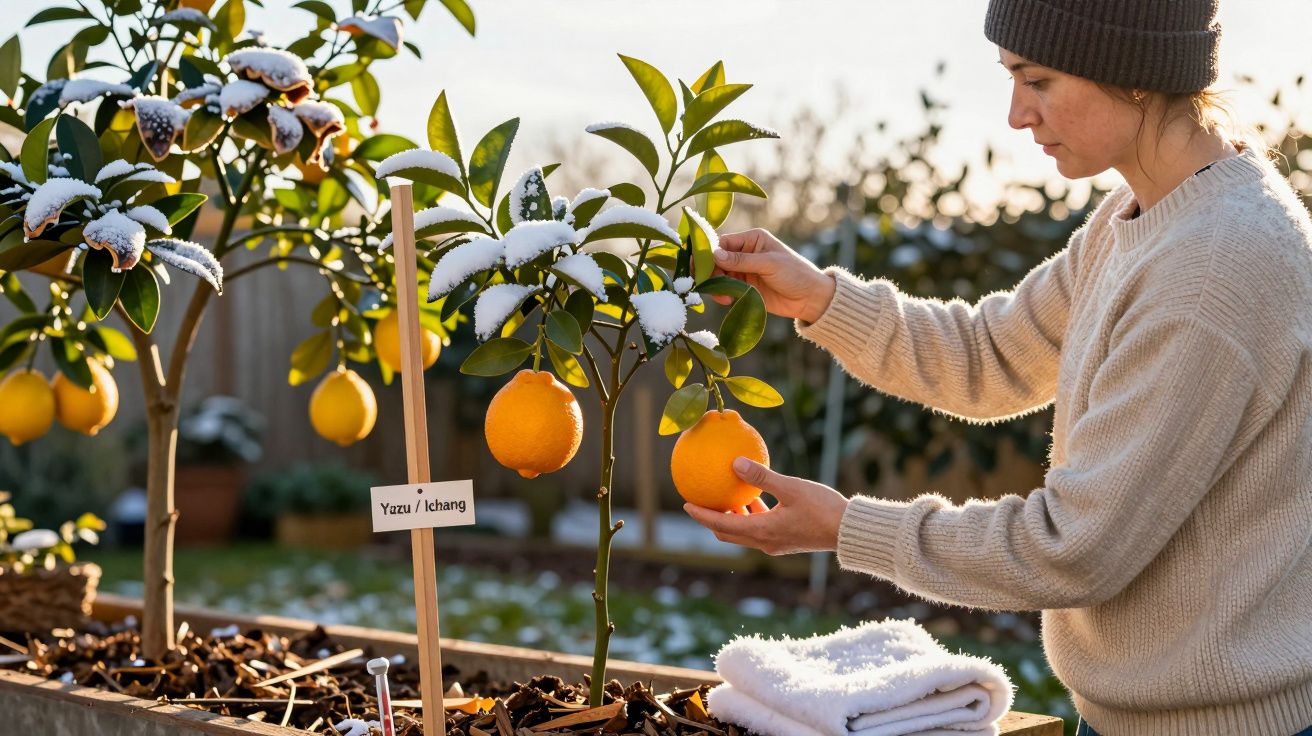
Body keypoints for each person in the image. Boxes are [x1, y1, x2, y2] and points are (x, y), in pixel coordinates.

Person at [682, 1, 1312, 734]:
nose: (1018, 115)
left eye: (1037, 79)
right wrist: (822, 298)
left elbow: (1073, 550)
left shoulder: (1212, 269)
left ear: (1137, 75)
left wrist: (846, 527)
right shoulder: (1139, 215)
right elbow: (992, 357)